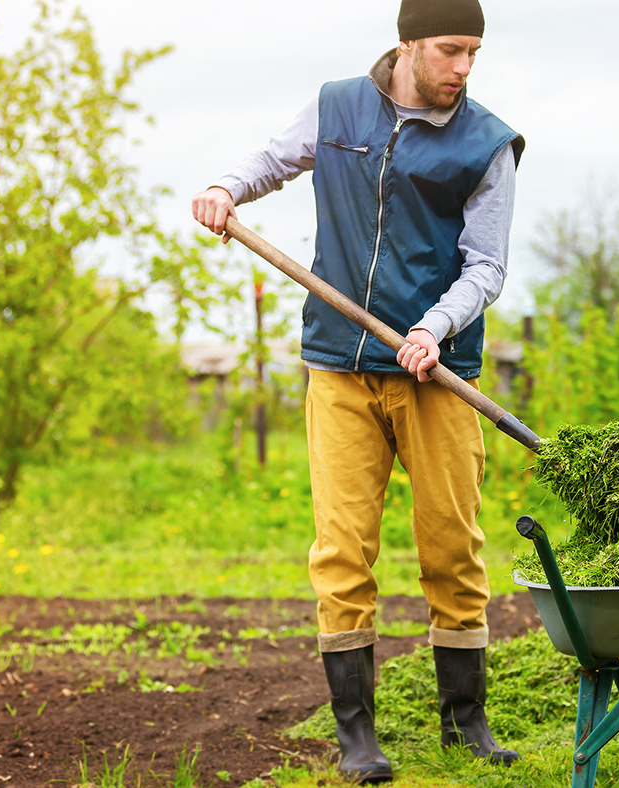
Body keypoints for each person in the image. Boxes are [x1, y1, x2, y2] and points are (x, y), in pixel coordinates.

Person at [191, 0, 522, 782]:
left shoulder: (487, 143)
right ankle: (357, 737)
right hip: (338, 366)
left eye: (474, 52)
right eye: (450, 50)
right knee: (342, 550)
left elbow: (487, 267)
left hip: (436, 373)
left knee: (452, 545)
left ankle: (464, 724)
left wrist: (432, 328)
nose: (464, 68)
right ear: (408, 43)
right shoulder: (339, 104)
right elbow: (272, 159)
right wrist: (224, 188)